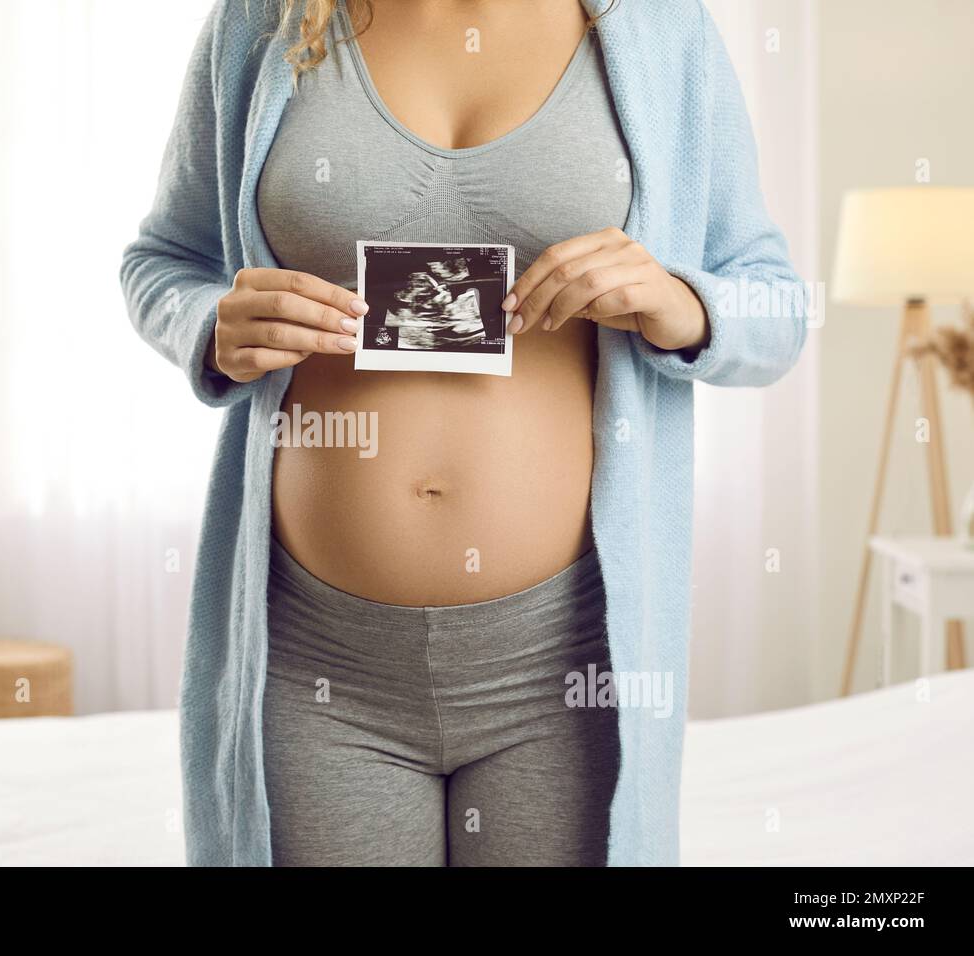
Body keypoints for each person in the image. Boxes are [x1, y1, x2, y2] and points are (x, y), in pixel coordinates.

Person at [120, 0, 807, 866]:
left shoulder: (658, 26)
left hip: (562, 667)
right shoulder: (264, 20)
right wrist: (209, 323)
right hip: (314, 663)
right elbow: (161, 261)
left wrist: (685, 302)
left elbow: (776, 302)